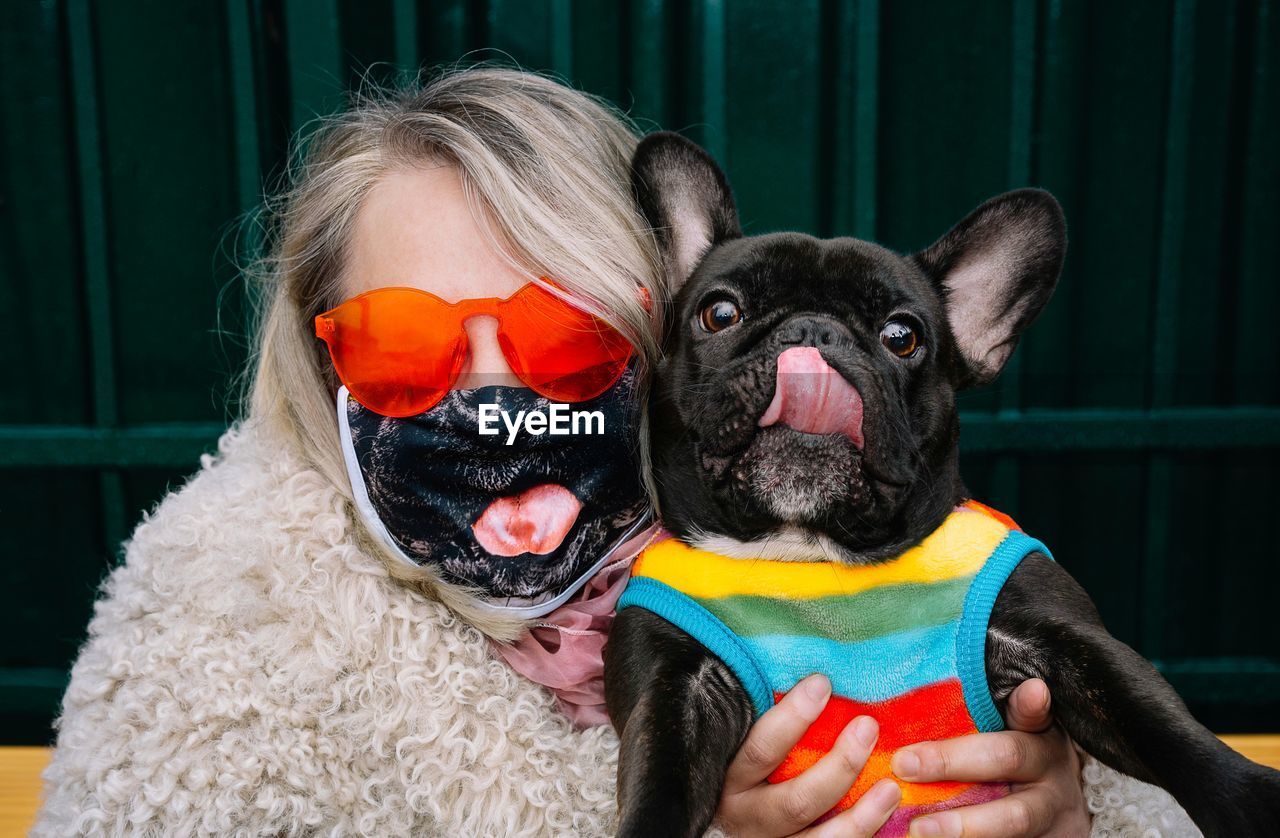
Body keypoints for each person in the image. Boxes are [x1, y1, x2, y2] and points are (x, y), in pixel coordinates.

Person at [31, 65, 1191, 837]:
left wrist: (1060, 798)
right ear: (323, 363)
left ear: (668, 334)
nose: (492, 396)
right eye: (403, 344)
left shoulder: (852, 552)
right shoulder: (219, 628)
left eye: (562, 334)